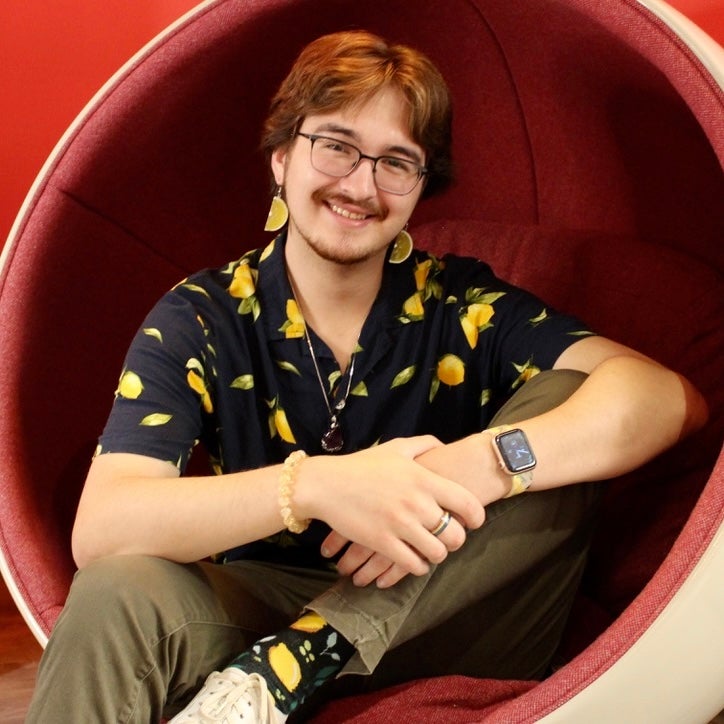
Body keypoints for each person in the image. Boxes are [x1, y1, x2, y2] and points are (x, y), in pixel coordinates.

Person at [26, 30, 707, 724]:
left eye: (396, 162)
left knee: (567, 404)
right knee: (116, 588)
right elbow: (103, 528)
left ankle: (295, 663)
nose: (360, 184)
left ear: (420, 187)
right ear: (282, 156)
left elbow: (666, 399)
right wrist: (317, 486)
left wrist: (482, 465)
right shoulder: (202, 315)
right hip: (262, 602)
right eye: (336, 145)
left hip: (455, 619)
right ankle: (287, 659)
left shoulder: (462, 304)